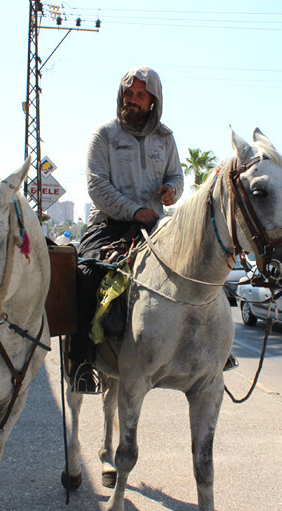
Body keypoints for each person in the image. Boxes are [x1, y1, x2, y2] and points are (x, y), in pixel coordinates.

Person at [68, 66, 184, 393]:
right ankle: (81, 362)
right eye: (128, 93)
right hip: (110, 223)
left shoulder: (166, 137)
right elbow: (97, 186)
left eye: (140, 95)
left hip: (156, 224)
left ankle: (206, 351)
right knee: (87, 273)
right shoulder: (104, 135)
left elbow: (177, 176)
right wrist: (135, 210)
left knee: (196, 265)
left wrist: (172, 191)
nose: (131, 99)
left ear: (153, 101)